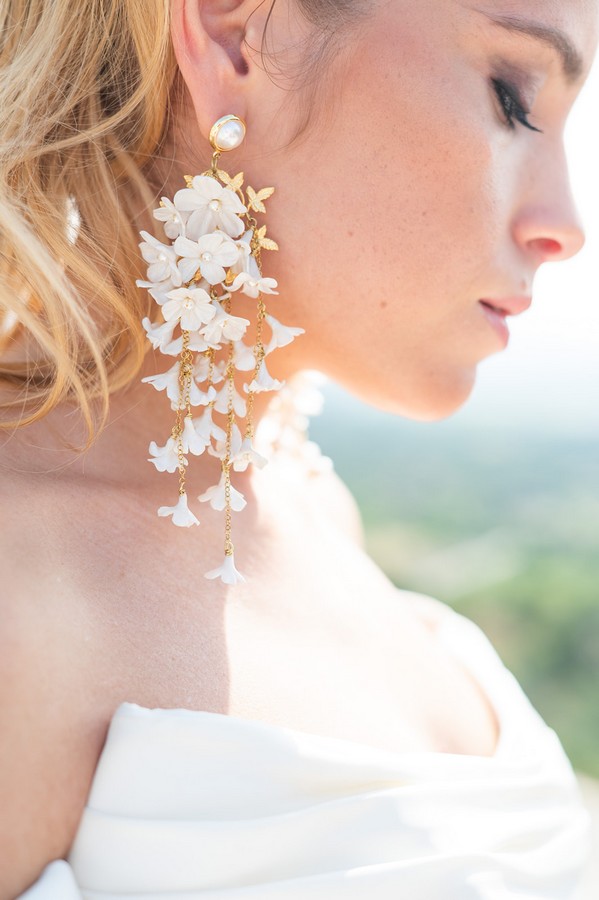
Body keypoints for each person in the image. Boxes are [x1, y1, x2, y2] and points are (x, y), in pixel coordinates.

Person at [1, 0, 597, 897]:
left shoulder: (310, 505)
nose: (565, 227)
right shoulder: (21, 582)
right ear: (238, 39)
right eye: (511, 96)